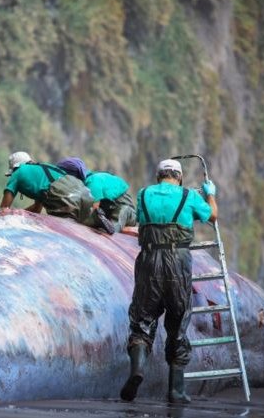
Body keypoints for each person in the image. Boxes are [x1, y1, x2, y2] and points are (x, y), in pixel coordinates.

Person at [120, 158, 218, 404]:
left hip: (149, 260)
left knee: (142, 319)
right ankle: (176, 390)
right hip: (178, 262)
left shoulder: (143, 195)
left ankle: (137, 370)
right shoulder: (188, 196)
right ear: (179, 177)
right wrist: (210, 194)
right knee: (178, 321)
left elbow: (140, 220)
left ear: (158, 176)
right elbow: (212, 216)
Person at [0, 151, 94, 223]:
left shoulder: (18, 172)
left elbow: (3, 209)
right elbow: (37, 209)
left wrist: (11, 213)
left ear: (15, 167)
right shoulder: (43, 170)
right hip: (86, 196)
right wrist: (19, 212)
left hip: (68, 200)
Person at [57, 157, 137, 234]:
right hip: (109, 212)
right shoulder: (86, 185)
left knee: (115, 222)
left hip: (127, 212)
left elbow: (94, 208)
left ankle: (112, 230)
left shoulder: (93, 182)